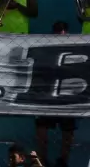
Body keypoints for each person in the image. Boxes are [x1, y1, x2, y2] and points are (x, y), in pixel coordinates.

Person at [35, 22, 74, 167]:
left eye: (62, 32)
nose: (60, 35)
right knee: (41, 129)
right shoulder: (46, 50)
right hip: (48, 97)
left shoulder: (74, 49)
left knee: (68, 131)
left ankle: (63, 160)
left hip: (67, 97)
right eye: (57, 33)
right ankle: (42, 160)